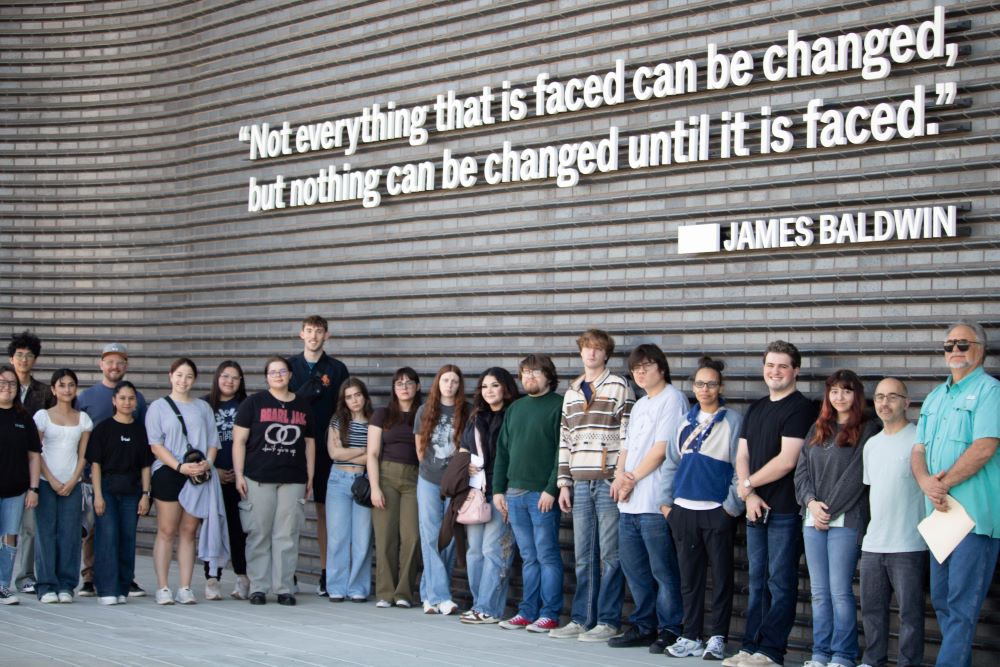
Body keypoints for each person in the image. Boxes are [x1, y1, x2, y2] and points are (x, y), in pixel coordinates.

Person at [911, 320, 999, 667]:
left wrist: (942, 484)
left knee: (962, 606)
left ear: (981, 349)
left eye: (963, 344)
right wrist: (924, 483)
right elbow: (918, 450)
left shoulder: (991, 391)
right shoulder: (935, 396)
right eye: (949, 345)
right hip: (940, 518)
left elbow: (985, 446)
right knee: (944, 602)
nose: (955, 351)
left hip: (974, 520)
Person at [724, 341, 817, 667]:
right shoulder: (758, 407)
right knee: (757, 581)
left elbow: (787, 460)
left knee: (780, 582)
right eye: (770, 365)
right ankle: (751, 646)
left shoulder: (801, 408)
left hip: (785, 511)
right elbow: (742, 454)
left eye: (782, 366)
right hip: (755, 508)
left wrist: (747, 485)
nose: (775, 371)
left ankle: (772, 651)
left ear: (795, 371)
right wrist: (748, 495)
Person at [552, 329, 634, 642]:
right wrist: (563, 483)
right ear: (581, 352)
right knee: (584, 555)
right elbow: (564, 439)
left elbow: (629, 433)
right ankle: (582, 618)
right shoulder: (571, 391)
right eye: (587, 348)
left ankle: (608, 621)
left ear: (606, 354)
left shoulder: (619, 385)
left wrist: (620, 474)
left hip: (608, 482)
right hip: (579, 481)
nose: (591, 354)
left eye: (598, 349)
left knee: (610, 555)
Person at [660, 356, 743, 660]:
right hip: (683, 511)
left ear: (720, 386)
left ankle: (717, 637)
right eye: (699, 384)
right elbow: (670, 464)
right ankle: (690, 635)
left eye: (711, 383)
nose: (705, 389)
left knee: (721, 578)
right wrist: (666, 505)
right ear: (693, 387)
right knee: (689, 579)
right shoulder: (684, 421)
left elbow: (740, 467)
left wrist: (731, 507)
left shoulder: (732, 421)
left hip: (717, 512)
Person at [608, 344, 688, 653]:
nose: (640, 372)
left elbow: (662, 450)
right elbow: (625, 447)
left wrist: (630, 479)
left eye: (647, 366)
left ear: (662, 368)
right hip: (629, 503)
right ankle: (644, 625)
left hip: (655, 501)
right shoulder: (640, 404)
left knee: (663, 571)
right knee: (635, 570)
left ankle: (669, 628)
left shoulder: (674, 399)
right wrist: (619, 475)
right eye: (636, 368)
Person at [795, 369, 877, 667]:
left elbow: (857, 476)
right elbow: (802, 468)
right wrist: (810, 503)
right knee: (818, 593)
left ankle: (843, 655)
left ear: (856, 395)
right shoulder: (820, 426)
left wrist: (826, 510)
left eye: (846, 390)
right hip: (812, 519)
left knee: (840, 591)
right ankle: (820, 654)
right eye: (833, 391)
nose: (839, 396)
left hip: (845, 520)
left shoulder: (868, 428)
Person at [233, 356, 315, 606]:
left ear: (290, 375)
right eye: (272, 372)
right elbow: (239, 441)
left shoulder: (302, 405)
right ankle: (258, 586)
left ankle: (284, 588)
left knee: (287, 534)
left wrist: (310, 475)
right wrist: (238, 474)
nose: (278, 375)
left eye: (282, 371)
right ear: (266, 376)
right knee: (259, 532)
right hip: (258, 477)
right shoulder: (253, 403)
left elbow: (309, 442)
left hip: (293, 478)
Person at [493, 354, 564, 633]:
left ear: (548, 375)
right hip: (514, 493)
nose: (529, 378)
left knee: (547, 555)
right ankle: (527, 611)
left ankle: (550, 614)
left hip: (541, 495)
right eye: (524, 373)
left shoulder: (559, 406)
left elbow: (563, 452)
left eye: (535, 372)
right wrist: (499, 489)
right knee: (528, 556)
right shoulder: (516, 409)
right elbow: (503, 451)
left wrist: (551, 488)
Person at [860, 378, 926, 667]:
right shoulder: (871, 445)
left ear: (907, 403)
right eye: (879, 397)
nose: (884, 403)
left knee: (910, 615)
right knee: (872, 613)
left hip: (910, 544)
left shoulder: (919, 440)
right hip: (873, 545)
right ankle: (873, 661)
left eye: (892, 397)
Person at [77, 342, 148, 598]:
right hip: (94, 474)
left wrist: (145, 491)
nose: (114, 366)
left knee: (124, 531)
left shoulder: (137, 398)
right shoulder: (85, 397)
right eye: (110, 361)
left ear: (126, 366)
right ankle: (90, 577)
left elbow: (141, 443)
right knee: (96, 530)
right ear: (101, 364)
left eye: (120, 362)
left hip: (128, 479)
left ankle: (124, 580)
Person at [146, 357, 218, 605]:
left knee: (189, 532)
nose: (183, 380)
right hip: (169, 472)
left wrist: (206, 463)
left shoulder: (203, 407)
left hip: (198, 475)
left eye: (188, 376)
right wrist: (178, 466)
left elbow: (212, 442)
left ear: (194, 380)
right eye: (179, 375)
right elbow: (156, 445)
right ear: (170, 376)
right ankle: (163, 587)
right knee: (166, 531)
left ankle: (185, 586)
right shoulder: (158, 407)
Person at [288, 315, 349, 597]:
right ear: (301, 334)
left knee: (326, 512)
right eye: (309, 331)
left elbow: (344, 410)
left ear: (328, 336)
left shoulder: (337, 369)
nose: (313, 336)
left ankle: (327, 573)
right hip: (290, 447)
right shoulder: (288, 366)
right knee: (289, 513)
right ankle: (287, 572)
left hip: (326, 448)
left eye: (319, 332)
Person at [459, 367, 519, 624]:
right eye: (485, 386)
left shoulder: (514, 415)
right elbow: (463, 449)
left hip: (501, 491)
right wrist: (465, 465)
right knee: (474, 552)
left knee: (493, 550)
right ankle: (479, 604)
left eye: (495, 385)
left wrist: (504, 490)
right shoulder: (476, 417)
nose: (489, 391)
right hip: (476, 492)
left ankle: (489, 608)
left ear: (505, 388)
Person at [86, 381, 153, 605]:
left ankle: (122, 588)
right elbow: (95, 464)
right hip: (106, 487)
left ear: (136, 402)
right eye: (122, 398)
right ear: (114, 401)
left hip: (132, 490)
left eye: (131, 398)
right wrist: (97, 495)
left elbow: (146, 465)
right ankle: (106, 589)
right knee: (107, 537)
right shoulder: (103, 429)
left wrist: (146, 494)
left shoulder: (140, 430)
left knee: (127, 538)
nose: (127, 402)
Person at [34, 368, 93, 603]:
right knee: (46, 533)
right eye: (62, 385)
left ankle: (66, 585)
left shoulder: (83, 419)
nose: (67, 389)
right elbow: (36, 453)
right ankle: (46, 585)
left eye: (71, 385)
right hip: (46, 482)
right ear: (53, 389)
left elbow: (83, 456)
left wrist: (73, 480)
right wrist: (51, 479)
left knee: (70, 534)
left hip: (73, 483)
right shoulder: (42, 416)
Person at [414, 364, 467, 615]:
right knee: (430, 535)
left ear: (459, 385)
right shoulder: (425, 410)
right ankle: (442, 596)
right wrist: (431, 471)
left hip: (454, 483)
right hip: (428, 479)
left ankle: (428, 595)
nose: (449, 385)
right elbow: (420, 449)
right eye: (445, 380)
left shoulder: (466, 411)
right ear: (438, 383)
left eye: (454, 381)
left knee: (448, 537)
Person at [367, 367, 422, 608]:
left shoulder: (423, 414)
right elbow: (372, 453)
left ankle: (404, 594)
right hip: (386, 476)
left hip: (415, 479)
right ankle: (385, 593)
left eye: (409, 382)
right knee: (385, 536)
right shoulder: (382, 414)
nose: (404, 386)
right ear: (393, 387)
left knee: (412, 537)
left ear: (417, 387)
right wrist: (375, 487)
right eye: (399, 383)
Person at [7, 331, 53, 597]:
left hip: (33, 466)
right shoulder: (1, 386)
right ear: (12, 358)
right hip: (5, 464)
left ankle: (25, 575)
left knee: (29, 526)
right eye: (19, 355)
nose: (24, 360)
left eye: (29, 356)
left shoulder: (45, 393)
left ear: (35, 359)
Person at [202, 361, 249, 600]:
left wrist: (240, 472)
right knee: (213, 529)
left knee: (240, 530)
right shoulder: (203, 405)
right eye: (225, 376)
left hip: (241, 478)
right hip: (211, 478)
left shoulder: (247, 405)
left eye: (235, 377)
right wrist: (213, 470)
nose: (229, 381)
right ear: (217, 377)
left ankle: (242, 577)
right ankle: (212, 578)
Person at [325, 377, 374, 602]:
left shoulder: (374, 421)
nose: (354, 400)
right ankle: (336, 587)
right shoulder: (338, 420)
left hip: (364, 482)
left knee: (362, 539)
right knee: (337, 538)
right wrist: (364, 451)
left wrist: (352, 451)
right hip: (338, 480)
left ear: (364, 396)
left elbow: (377, 455)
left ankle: (358, 588)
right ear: (343, 400)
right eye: (349, 397)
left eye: (357, 395)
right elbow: (335, 454)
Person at [0, 364, 42, 605]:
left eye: (12, 384)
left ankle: (3, 585)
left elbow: (34, 455)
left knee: (10, 536)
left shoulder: (23, 416)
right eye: (3, 383)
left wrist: (33, 488)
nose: (7, 388)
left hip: (16, 489)